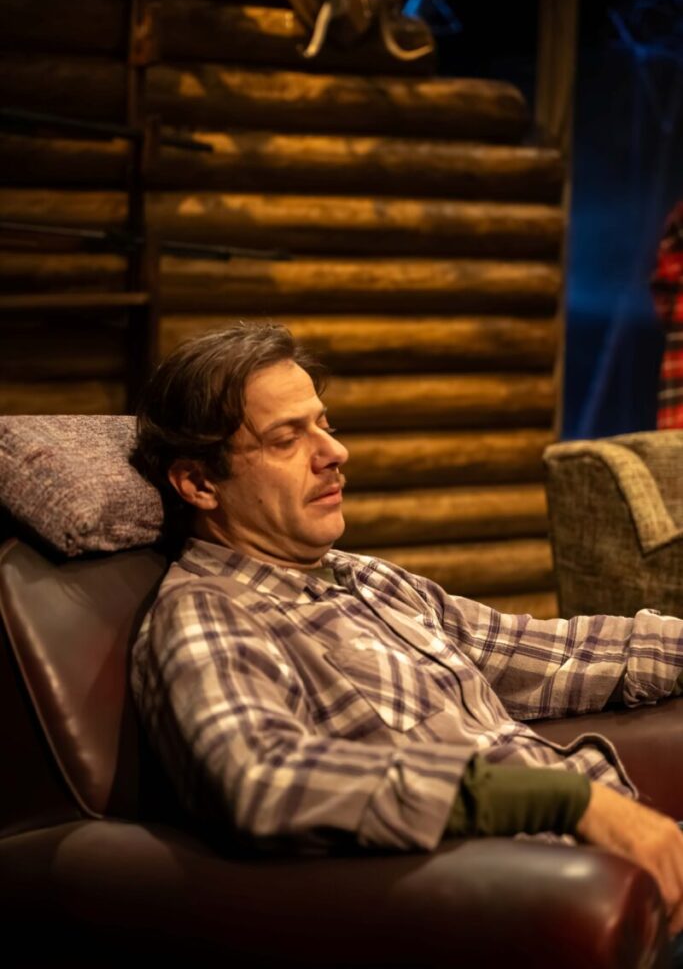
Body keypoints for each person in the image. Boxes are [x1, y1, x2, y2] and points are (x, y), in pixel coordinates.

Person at [131, 321, 683, 937]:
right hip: (533, 901)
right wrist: (563, 800)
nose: (334, 453)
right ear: (199, 483)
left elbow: (551, 653)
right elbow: (263, 778)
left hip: (629, 866)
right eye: (287, 439)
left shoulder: (366, 579)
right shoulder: (208, 610)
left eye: (324, 425)